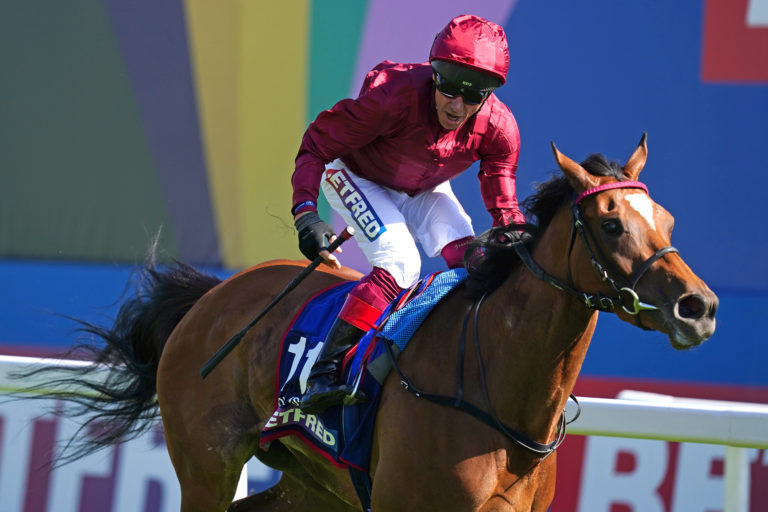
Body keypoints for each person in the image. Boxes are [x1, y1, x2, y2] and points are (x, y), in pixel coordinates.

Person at [291, 14, 526, 414]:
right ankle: (322, 374)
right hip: (356, 175)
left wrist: (520, 244)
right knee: (402, 263)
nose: (457, 105)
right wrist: (306, 213)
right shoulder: (392, 96)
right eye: (449, 87)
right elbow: (316, 144)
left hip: (425, 187)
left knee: (479, 263)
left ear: (490, 95)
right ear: (433, 74)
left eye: (473, 96)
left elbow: (506, 210)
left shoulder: (501, 129)